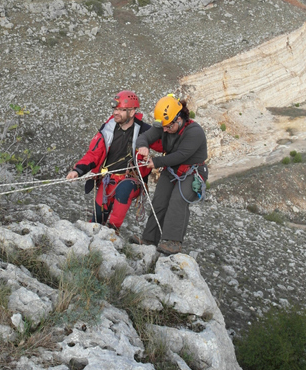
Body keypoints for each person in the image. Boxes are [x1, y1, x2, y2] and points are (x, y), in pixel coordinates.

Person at [66, 90, 162, 231]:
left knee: (124, 189)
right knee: (97, 220)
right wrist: (77, 170)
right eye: (115, 109)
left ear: (133, 111)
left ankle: (112, 230)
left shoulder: (144, 130)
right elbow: (93, 154)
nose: (116, 113)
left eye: (121, 110)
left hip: (131, 180)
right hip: (108, 180)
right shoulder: (107, 130)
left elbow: (165, 145)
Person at [130, 94, 208, 255]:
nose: (164, 130)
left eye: (168, 127)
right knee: (159, 200)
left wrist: (156, 162)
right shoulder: (165, 125)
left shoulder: (195, 132)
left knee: (178, 200)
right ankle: (150, 238)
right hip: (172, 168)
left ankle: (173, 242)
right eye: (163, 127)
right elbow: (144, 137)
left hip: (192, 171)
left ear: (179, 119)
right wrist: (143, 146)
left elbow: (181, 155)